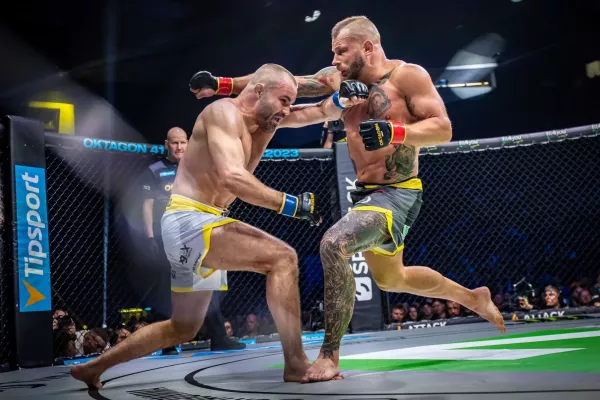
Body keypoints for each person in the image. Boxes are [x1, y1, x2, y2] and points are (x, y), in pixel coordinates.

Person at [189, 15, 506, 383]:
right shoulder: (339, 79)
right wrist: (222, 85)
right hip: (367, 193)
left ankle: (329, 356)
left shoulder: (407, 76)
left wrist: (394, 131)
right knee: (392, 278)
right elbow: (287, 83)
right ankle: (472, 297)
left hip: (399, 191)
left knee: (334, 243)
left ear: (367, 47)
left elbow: (444, 128)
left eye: (341, 51)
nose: (335, 59)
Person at [71, 63, 368, 389]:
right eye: (283, 100)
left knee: (182, 327)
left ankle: (94, 367)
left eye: (289, 102)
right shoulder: (223, 114)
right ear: (259, 91)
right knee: (283, 259)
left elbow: (318, 111)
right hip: (190, 219)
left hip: (202, 222)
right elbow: (232, 177)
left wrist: (342, 101)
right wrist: (291, 205)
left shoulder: (268, 118)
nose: (287, 109)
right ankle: (296, 364)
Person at [140, 127, 244, 353]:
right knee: (169, 289)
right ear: (167, 144)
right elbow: (147, 205)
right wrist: (149, 237)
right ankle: (167, 343)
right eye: (174, 143)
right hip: (167, 235)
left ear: (188, 144)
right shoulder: (154, 170)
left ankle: (218, 338)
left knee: (207, 284)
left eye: (182, 142)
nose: (179, 147)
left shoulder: (197, 167)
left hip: (196, 233)